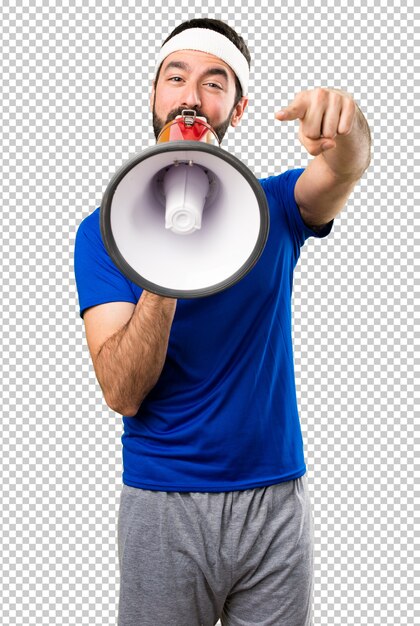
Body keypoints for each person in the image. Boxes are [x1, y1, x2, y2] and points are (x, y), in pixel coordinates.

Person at [74, 18, 371, 626]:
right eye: (175, 77)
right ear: (154, 96)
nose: (191, 96)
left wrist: (347, 127)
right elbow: (123, 391)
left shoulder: (278, 209)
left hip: (275, 505)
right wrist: (164, 263)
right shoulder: (104, 233)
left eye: (215, 82)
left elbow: (345, 167)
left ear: (239, 107)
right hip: (162, 506)